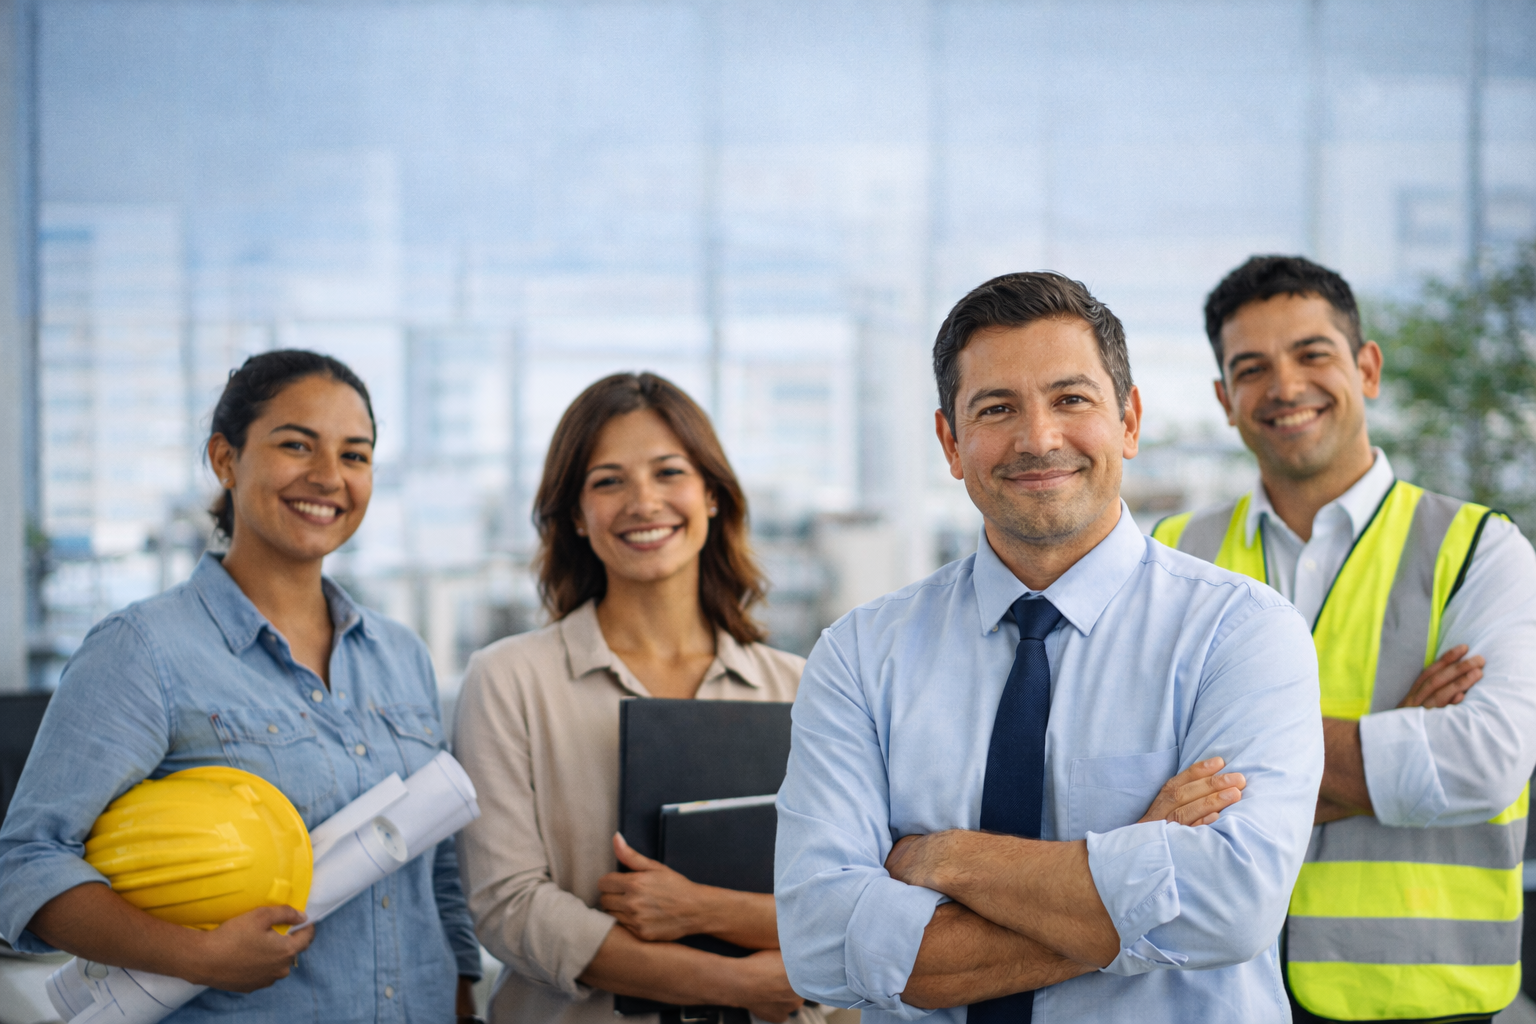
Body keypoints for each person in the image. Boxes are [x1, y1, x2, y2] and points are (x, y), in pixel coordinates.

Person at [775, 271, 1326, 1024]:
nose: (1038, 439)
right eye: (996, 408)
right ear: (950, 440)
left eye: (1072, 400)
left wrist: (947, 860)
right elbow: (821, 945)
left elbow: (1230, 910)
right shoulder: (860, 657)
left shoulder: (1243, 634)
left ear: (1129, 421)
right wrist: (1136, 867)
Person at [0, 350, 482, 1022]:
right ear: (225, 459)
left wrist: (462, 998)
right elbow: (24, 861)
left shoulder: (400, 655)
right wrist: (193, 956)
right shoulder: (144, 650)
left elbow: (439, 872)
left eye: (356, 455)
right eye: (296, 445)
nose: (328, 477)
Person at [1151, 255, 1536, 1024]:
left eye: (1312, 354)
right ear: (1225, 400)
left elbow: (1487, 760)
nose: (1285, 386)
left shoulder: (1478, 550)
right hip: (1207, 990)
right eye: (1252, 368)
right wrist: (1397, 739)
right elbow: (1122, 769)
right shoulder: (1170, 553)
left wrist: (1228, 774)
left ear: (1367, 367)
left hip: (1420, 998)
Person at [452, 372, 812, 1024]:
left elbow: (842, 906)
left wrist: (703, 910)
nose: (643, 502)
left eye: (669, 472)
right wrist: (733, 983)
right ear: (575, 518)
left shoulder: (800, 688)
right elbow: (509, 907)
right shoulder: (508, 680)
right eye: (608, 481)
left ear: (711, 497)